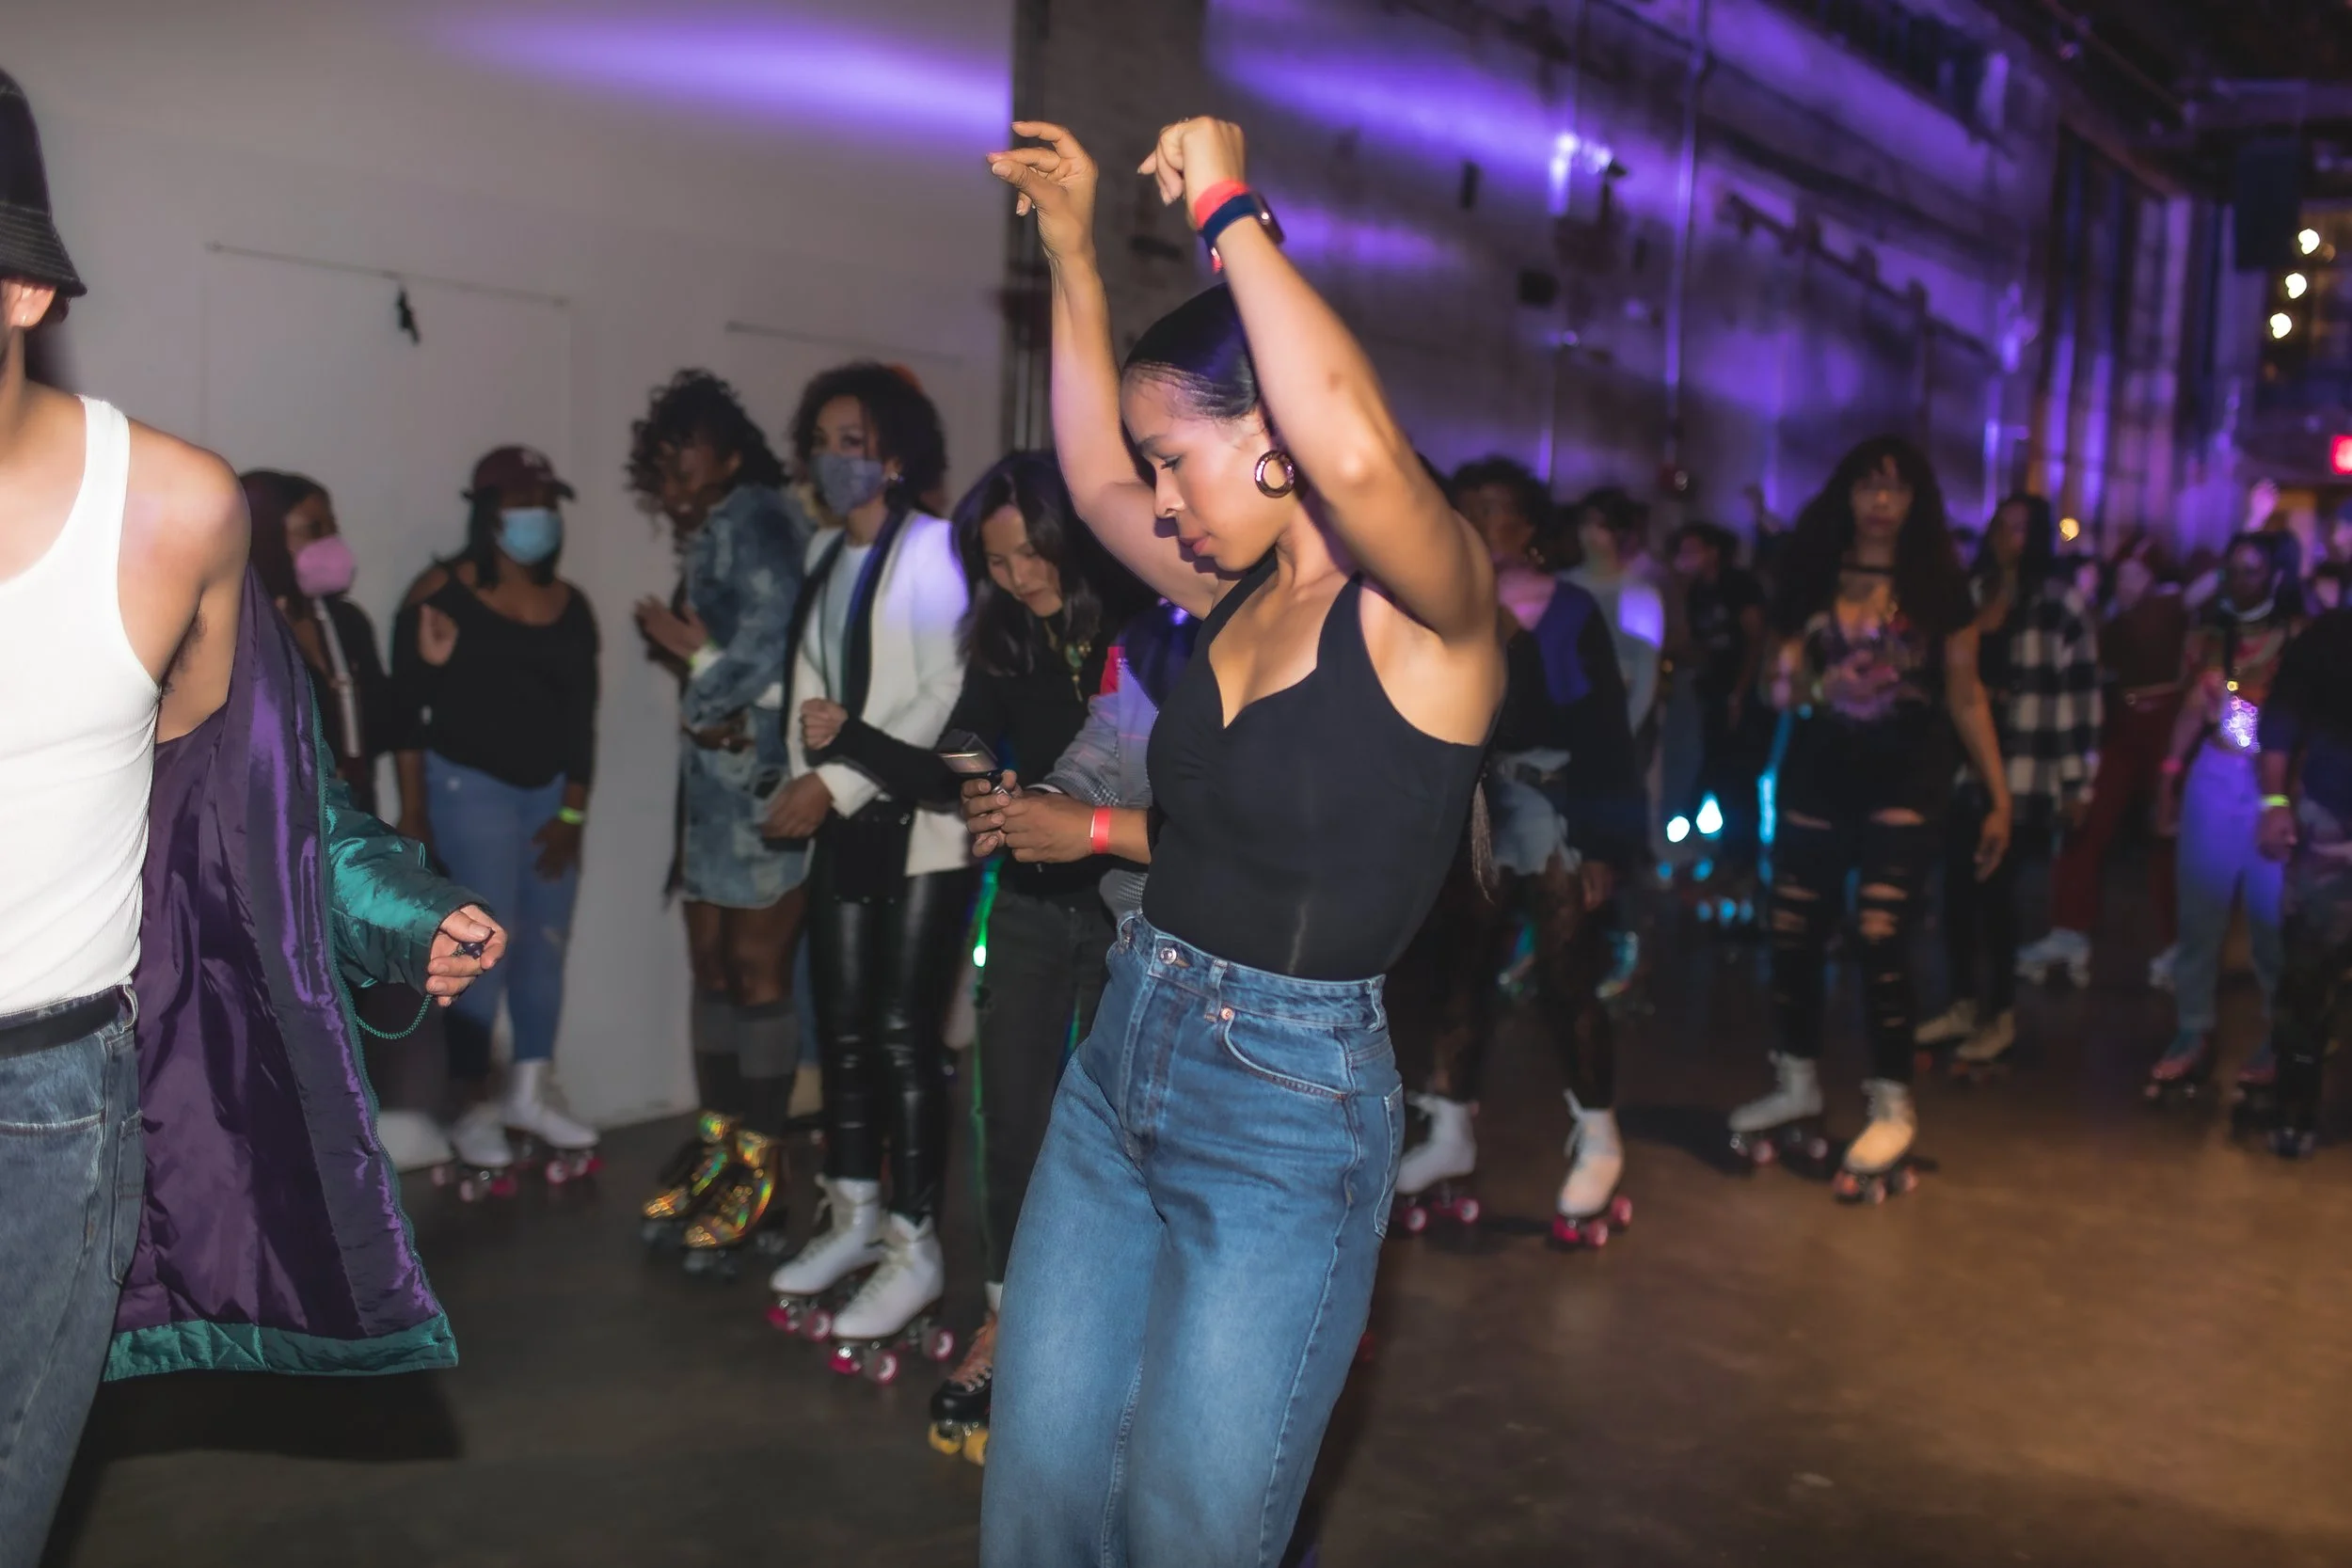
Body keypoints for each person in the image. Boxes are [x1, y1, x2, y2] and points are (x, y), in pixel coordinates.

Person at [977, 118, 1502, 1566]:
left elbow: (1359, 444)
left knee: (1190, 1524)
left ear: (1277, 447)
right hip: (1123, 1050)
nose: (1156, 500)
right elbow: (1091, 483)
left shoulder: (1436, 619)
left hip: (1288, 1107)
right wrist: (1075, 258)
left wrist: (1228, 206)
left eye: (1179, 461)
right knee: (1042, 1491)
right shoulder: (1234, 595)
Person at [0, 69, 502, 1560]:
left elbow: (255, 788)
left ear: (21, 289)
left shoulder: (169, 511)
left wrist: (395, 908)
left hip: (43, 1108)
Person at [1726, 436, 2007, 1202]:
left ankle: (1892, 1103)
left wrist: (1999, 795)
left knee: (1881, 933)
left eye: (1897, 488)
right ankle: (1797, 1081)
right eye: (1868, 486)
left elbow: (1966, 693)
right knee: (1793, 928)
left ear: (1917, 500)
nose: (1881, 502)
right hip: (1819, 771)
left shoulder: (1939, 587)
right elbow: (1778, 681)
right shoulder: (1810, 571)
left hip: (1908, 775)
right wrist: (1813, 686)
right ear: (1845, 493)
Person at [761, 363, 975, 1365]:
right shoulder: (822, 552)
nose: (832, 458)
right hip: (845, 826)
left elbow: (942, 690)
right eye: (822, 440)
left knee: (901, 1034)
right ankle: (851, 1211)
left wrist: (834, 783)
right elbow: (805, 687)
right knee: (842, 1027)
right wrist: (802, 782)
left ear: (895, 454)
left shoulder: (935, 549)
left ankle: (914, 1242)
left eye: (853, 441)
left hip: (923, 830)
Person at [1390, 455, 1644, 1244]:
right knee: (1460, 969)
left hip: (1554, 803)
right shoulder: (1439, 598)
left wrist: (1602, 843)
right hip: (1476, 807)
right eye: (1469, 508)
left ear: (1530, 524)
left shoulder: (1567, 608)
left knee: (1566, 975)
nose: (1481, 522)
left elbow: (1604, 731)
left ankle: (1599, 1135)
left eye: (1498, 509)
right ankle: (1450, 1129)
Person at [626, 371, 812, 1256]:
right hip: (712, 786)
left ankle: (764, 1170)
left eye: (683, 457)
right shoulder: (718, 525)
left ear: (731, 454)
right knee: (711, 965)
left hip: (760, 780)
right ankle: (721, 1145)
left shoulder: (761, 517)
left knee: (756, 970)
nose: (672, 477)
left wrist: (696, 661)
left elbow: (775, 649)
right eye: (660, 465)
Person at [393, 445, 602, 1181]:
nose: (537, 516)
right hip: (467, 786)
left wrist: (572, 815)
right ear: (488, 513)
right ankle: (470, 1100)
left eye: (547, 503)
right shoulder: (439, 591)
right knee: (480, 947)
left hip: (550, 796)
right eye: (521, 503)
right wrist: (413, 809)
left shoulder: (571, 605)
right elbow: (405, 711)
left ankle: (528, 1089)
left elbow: (581, 717)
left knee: (544, 941)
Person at [243, 467, 456, 1169]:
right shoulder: (242, 624)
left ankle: (391, 1120)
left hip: (352, 833)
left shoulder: (346, 624)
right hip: (278, 840)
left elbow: (395, 722)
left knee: (385, 965)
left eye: (331, 525)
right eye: (311, 529)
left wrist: (413, 811)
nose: (330, 542)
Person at [1914, 494, 2100, 1071]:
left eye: (2021, 528)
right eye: (2001, 525)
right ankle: (1964, 1002)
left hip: (2027, 769)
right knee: (1957, 891)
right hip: (1967, 767)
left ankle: (2000, 1013)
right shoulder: (1972, 597)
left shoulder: (2060, 603)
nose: (2007, 537)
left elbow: (2081, 696)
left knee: (1997, 896)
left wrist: (2078, 782)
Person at [2146, 532, 2302, 1098]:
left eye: (2252, 570)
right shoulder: (2209, 634)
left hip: (2274, 782)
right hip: (2215, 772)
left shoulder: (2297, 638)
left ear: (2276, 576)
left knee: (2270, 920)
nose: (2240, 582)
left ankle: (2281, 1035)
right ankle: (2193, 1029)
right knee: (2200, 915)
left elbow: (2285, 723)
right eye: (2231, 571)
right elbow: (2195, 709)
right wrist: (2169, 776)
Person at [2014, 532, 2187, 990]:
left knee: (2167, 830)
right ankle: (2068, 930)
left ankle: (2181, 945)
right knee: (2083, 817)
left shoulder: (2171, 607)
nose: (2128, 582)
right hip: (2117, 722)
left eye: (2137, 575)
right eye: (2122, 574)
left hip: (2167, 722)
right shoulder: (2105, 614)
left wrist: (2253, 519)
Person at [2255, 607, 2352, 1156]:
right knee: (2307, 976)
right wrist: (2272, 802)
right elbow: (2274, 721)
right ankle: (2293, 1107)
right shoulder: (2328, 637)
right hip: (2329, 817)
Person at [1671, 519, 1769, 885]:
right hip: (1713, 694)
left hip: (1743, 696)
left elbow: (1755, 640)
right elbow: (1698, 643)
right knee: (1718, 771)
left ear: (1713, 552)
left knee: (1738, 777)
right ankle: (1724, 854)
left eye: (1693, 550)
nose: (1686, 558)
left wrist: (1740, 692)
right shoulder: (1697, 591)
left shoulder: (1740, 586)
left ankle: (1742, 859)